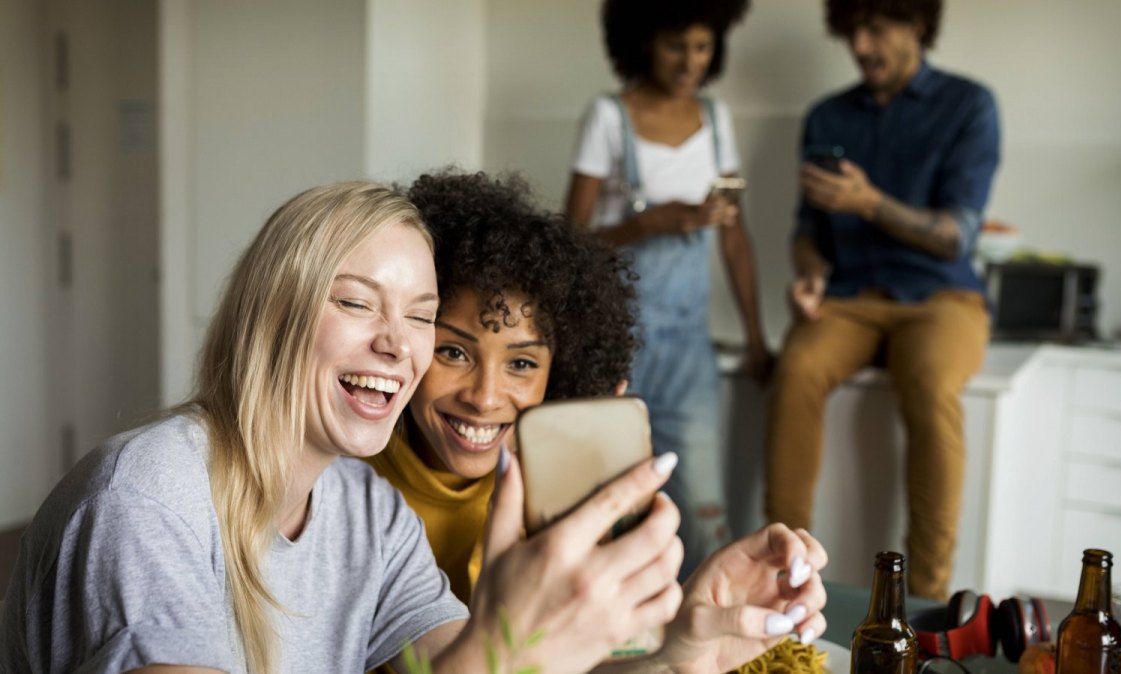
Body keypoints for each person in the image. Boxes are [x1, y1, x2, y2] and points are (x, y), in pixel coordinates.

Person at [0, 181, 685, 673]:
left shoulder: (373, 515)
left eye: (420, 316)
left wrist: (686, 653)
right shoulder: (147, 495)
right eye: (359, 303)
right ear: (273, 315)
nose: (398, 345)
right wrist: (504, 648)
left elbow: (452, 664)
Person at [367, 168, 829, 673]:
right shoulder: (354, 495)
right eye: (453, 352)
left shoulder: (564, 499)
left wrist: (677, 648)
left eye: (521, 363)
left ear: (560, 374)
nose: (485, 397)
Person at [766, 0, 1000, 601]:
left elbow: (958, 234)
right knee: (795, 369)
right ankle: (783, 578)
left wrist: (870, 203)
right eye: (853, 31)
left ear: (916, 22)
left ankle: (923, 600)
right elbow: (805, 233)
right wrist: (809, 275)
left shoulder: (969, 105)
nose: (862, 46)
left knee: (929, 385)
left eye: (876, 28)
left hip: (941, 297)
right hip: (848, 297)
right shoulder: (826, 116)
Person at [564, 0, 767, 579]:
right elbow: (570, 240)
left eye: (702, 47)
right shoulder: (607, 117)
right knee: (607, 506)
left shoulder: (715, 119)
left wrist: (756, 335)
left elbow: (734, 237)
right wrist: (647, 224)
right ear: (644, 43)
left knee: (703, 511)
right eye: (677, 46)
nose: (689, 62)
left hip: (688, 351)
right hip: (612, 343)